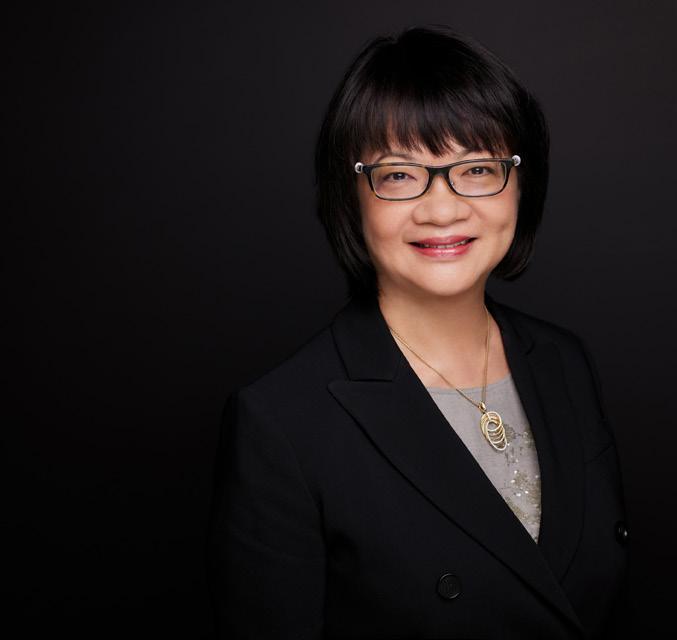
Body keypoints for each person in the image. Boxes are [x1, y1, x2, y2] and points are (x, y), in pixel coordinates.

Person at [208, 25, 629, 639]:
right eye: (400, 175)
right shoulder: (281, 423)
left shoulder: (564, 361)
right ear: (352, 195)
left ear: (521, 183)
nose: (442, 209)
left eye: (477, 168)